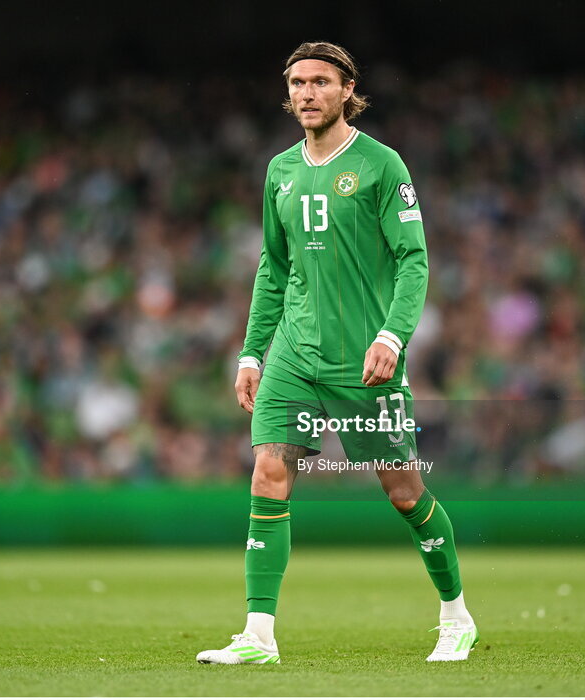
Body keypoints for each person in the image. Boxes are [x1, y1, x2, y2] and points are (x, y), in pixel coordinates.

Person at [196, 41, 477, 665]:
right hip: (296, 354)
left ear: (348, 90)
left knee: (403, 490)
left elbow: (414, 260)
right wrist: (251, 353)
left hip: (366, 360)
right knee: (269, 471)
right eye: (297, 82)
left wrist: (392, 336)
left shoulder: (382, 166)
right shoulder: (279, 170)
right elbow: (274, 266)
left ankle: (456, 615)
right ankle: (258, 636)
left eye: (321, 82)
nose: (306, 93)